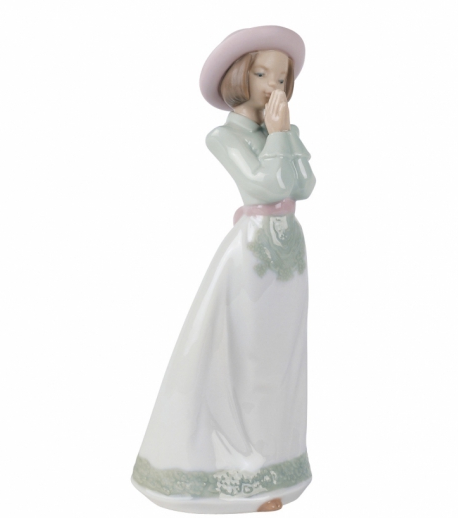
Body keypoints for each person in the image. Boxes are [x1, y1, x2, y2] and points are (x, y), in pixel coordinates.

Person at [131, 26, 316, 514]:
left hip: (291, 249)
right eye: (262, 74)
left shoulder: (283, 131)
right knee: (250, 361)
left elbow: (303, 186)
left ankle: (277, 464)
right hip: (254, 252)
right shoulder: (224, 136)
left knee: (284, 360)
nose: (273, 86)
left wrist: (284, 135)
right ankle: (244, 470)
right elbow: (263, 186)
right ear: (240, 77)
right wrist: (279, 137)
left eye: (281, 77)